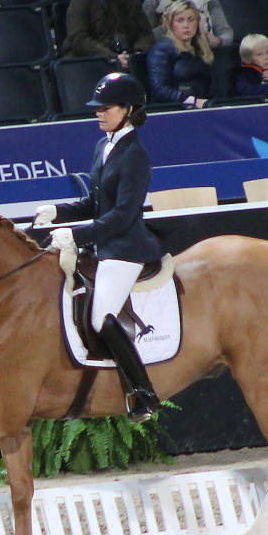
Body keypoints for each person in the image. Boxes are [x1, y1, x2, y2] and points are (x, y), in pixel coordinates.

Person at [34, 72, 162, 422]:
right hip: (103, 244)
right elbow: (94, 203)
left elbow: (122, 215)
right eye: (98, 108)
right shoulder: (102, 146)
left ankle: (144, 393)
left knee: (100, 315)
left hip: (125, 247)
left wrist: (76, 236)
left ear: (129, 110)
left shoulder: (135, 155)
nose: (99, 113)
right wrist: (58, 211)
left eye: (106, 108)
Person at [147, 4, 213, 108]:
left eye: (191, 20)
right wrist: (192, 101)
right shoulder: (161, 50)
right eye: (180, 20)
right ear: (170, 24)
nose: (186, 25)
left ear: (197, 22)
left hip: (204, 107)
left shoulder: (202, 48)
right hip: (175, 109)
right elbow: (158, 89)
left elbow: (212, 85)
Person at [232, 34, 268, 100]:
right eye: (259, 55)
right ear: (247, 59)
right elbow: (246, 92)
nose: (266, 57)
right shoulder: (244, 75)